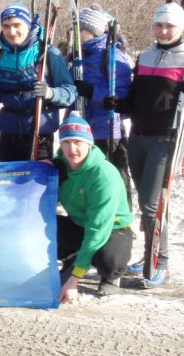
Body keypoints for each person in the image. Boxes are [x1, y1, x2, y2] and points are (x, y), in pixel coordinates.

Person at [105, 2, 184, 288]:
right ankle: (148, 253)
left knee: (153, 204)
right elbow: (139, 98)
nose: (163, 31)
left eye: (170, 26)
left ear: (181, 28)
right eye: (159, 25)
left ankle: (160, 261)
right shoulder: (146, 55)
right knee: (145, 202)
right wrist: (120, 105)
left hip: (166, 138)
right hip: (138, 136)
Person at [0, 3, 76, 161]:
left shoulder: (48, 54)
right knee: (8, 184)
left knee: (37, 185)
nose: (11, 31)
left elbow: (70, 93)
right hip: (8, 136)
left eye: (17, 25)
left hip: (39, 134)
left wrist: (51, 93)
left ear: (28, 25)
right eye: (6, 26)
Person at [50, 113, 133, 303]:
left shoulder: (103, 176)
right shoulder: (60, 168)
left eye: (78, 142)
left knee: (108, 261)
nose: (72, 149)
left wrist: (74, 281)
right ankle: (72, 258)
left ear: (89, 144)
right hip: (79, 224)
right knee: (41, 226)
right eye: (66, 142)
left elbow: (97, 230)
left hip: (112, 228)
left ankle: (111, 276)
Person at [73, 5, 133, 207]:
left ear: (91, 31)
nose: (76, 35)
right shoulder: (81, 56)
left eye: (80, 30)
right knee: (92, 179)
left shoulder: (111, 55)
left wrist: (92, 93)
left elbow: (122, 93)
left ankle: (121, 216)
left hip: (108, 128)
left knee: (113, 176)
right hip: (85, 128)